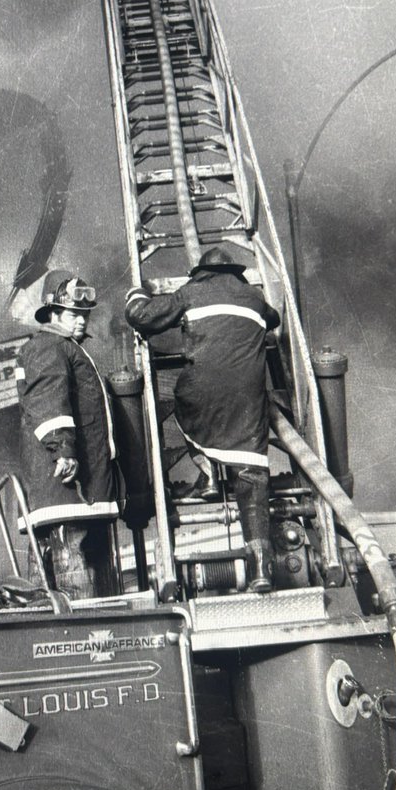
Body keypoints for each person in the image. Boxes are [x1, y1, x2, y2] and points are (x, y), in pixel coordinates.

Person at [124, 244, 281, 593]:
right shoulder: (253, 298)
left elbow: (143, 317)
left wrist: (137, 292)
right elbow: (275, 319)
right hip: (249, 403)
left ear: (202, 273)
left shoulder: (190, 293)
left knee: (184, 406)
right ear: (237, 274)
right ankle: (261, 570)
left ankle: (208, 472)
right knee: (252, 477)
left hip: (203, 396)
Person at [15, 270, 119, 599]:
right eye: (74, 315)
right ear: (55, 314)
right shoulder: (49, 346)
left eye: (84, 316)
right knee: (71, 554)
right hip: (65, 484)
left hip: (66, 487)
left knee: (57, 556)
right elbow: (48, 401)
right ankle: (80, 627)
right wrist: (63, 450)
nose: (82, 323)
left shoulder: (62, 347)